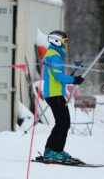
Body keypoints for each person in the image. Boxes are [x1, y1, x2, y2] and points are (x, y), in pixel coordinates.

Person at [42, 30, 84, 161]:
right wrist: (74, 80)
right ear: (56, 41)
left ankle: (57, 150)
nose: (65, 45)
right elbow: (58, 76)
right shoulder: (54, 56)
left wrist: (71, 77)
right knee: (62, 123)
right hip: (54, 95)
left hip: (56, 94)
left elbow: (58, 75)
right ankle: (51, 151)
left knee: (64, 123)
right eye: (64, 42)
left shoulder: (54, 55)